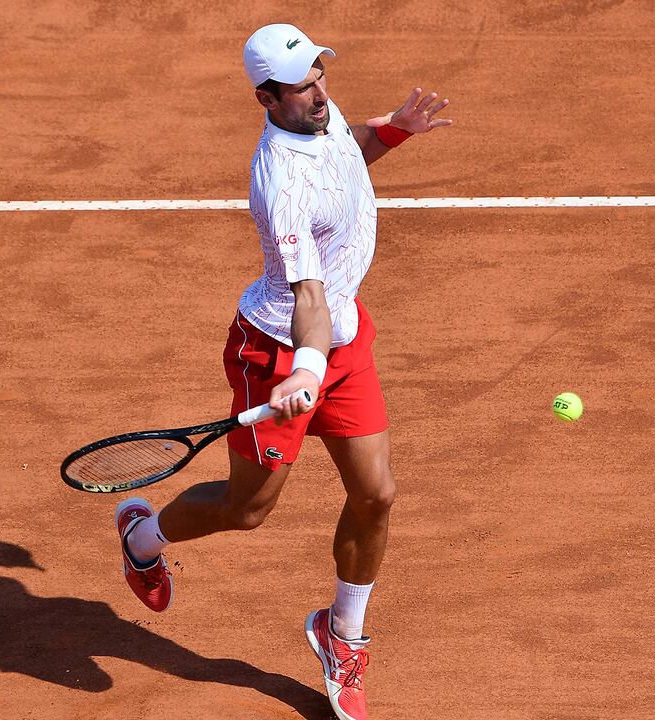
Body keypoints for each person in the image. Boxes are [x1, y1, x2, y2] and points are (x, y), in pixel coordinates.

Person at [114, 23, 451, 720]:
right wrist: (304, 367)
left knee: (377, 495)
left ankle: (343, 633)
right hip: (277, 351)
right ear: (266, 99)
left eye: (320, 74)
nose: (320, 91)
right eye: (303, 86)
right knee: (249, 511)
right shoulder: (280, 184)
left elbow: (344, 152)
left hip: (342, 341)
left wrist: (392, 131)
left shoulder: (318, 119)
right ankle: (143, 540)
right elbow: (308, 299)